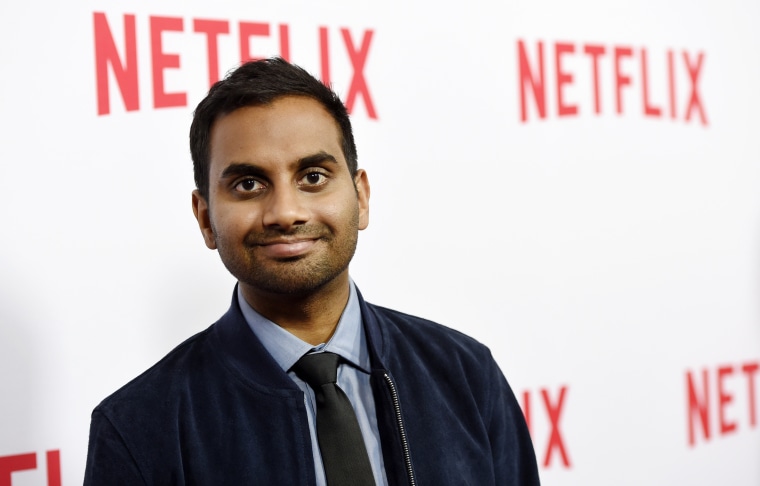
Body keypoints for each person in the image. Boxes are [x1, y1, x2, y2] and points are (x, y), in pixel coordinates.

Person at [84, 57, 540, 485]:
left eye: (313, 177)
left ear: (361, 197)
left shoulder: (465, 374)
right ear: (205, 217)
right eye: (248, 184)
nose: (285, 211)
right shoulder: (137, 428)